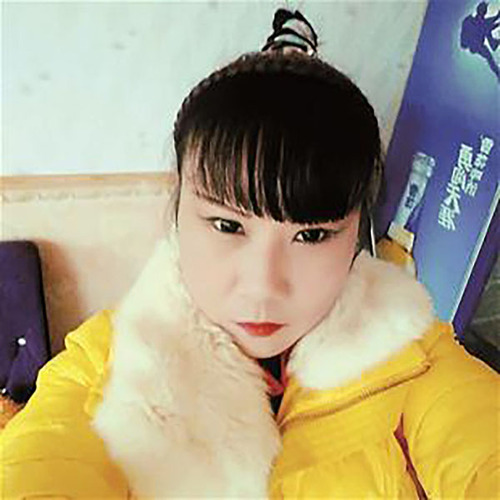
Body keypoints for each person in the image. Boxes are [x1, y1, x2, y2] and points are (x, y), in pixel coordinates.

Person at [1, 8, 498, 499]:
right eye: (228, 225)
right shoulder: (107, 367)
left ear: (356, 234)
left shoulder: (413, 356)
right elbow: (44, 464)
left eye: (312, 236)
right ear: (178, 216)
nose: (263, 286)